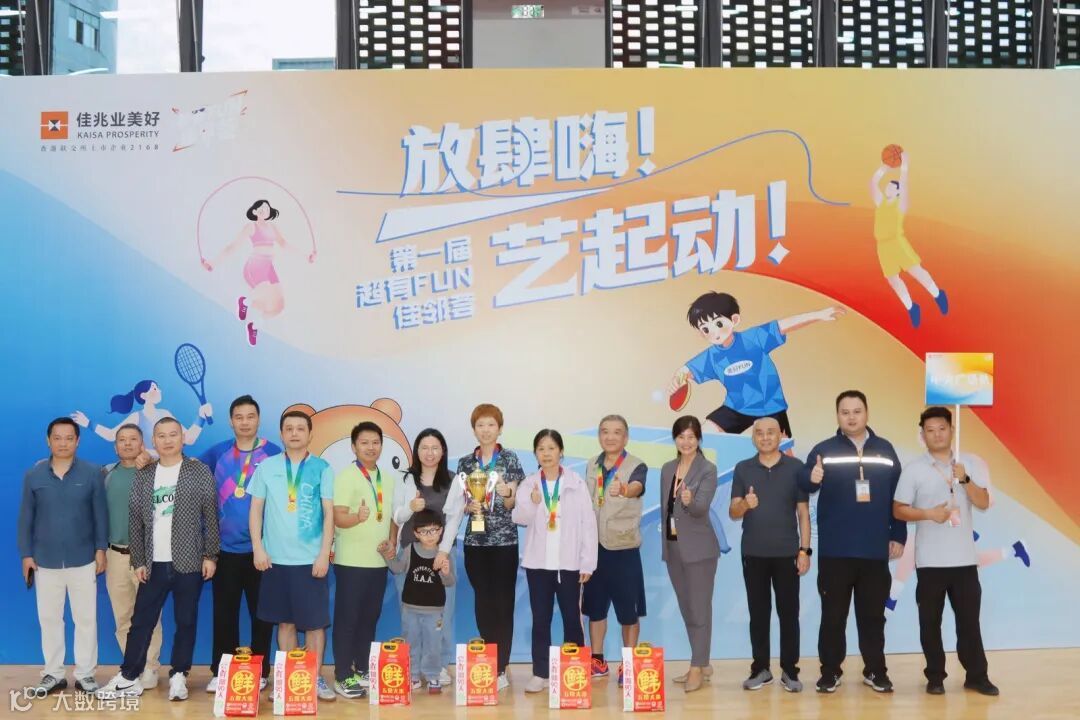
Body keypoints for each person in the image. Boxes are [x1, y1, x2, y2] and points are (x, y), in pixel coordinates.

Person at [97, 417, 219, 701]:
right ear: (154, 441)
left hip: (189, 560)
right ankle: (129, 676)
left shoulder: (198, 471)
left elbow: (211, 516)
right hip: (153, 563)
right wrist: (139, 560)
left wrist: (210, 555)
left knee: (186, 621)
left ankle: (179, 675)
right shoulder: (146, 473)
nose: (167, 440)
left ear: (183, 438)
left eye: (173, 434)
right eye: (161, 436)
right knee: (141, 621)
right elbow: (135, 520)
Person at [798, 390, 906, 694]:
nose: (851, 417)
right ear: (837, 416)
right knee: (833, 616)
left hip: (874, 549)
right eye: (845, 412)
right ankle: (830, 671)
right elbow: (803, 483)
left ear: (866, 413)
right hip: (836, 551)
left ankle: (875, 671)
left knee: (873, 617)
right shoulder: (824, 450)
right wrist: (812, 477)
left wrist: (898, 534)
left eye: (857, 411)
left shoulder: (885, 450)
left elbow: (899, 497)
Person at [893, 406, 999, 696]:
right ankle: (935, 676)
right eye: (930, 430)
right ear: (922, 435)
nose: (937, 434)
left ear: (952, 430)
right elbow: (898, 509)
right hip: (930, 562)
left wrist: (965, 479)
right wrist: (928, 514)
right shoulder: (914, 469)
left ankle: (977, 676)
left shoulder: (968, 465)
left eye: (942, 428)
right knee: (930, 623)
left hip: (964, 560)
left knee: (969, 623)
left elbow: (983, 502)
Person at [249, 409, 336, 701]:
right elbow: (256, 510)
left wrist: (324, 554)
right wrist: (258, 547)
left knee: (314, 624)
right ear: (281, 434)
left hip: (310, 561)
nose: (295, 433)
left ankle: (314, 677)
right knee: (285, 622)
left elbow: (328, 514)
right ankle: (287, 678)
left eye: (300, 428)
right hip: (275, 560)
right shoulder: (266, 467)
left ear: (310, 434)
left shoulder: (322, 468)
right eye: (289, 428)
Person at [667, 291, 844, 436]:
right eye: (705, 329)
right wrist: (677, 380)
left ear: (734, 320)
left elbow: (784, 325)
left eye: (718, 323)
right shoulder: (711, 357)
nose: (713, 332)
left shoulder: (753, 338)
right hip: (736, 408)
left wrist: (818, 315)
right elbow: (685, 371)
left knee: (784, 454)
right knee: (707, 433)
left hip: (771, 405)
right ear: (701, 333)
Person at [18, 417, 107, 694]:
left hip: (84, 559)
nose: (63, 443)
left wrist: (101, 549)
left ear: (78, 441)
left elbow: (100, 516)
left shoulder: (92, 473)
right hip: (45, 561)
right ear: (48, 441)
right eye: (57, 438)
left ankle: (86, 674)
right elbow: (26, 518)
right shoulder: (34, 475)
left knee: (86, 619)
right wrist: (26, 554)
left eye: (69, 438)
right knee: (50, 619)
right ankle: (53, 673)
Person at [200, 395, 281, 692]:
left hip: (263, 550)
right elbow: (183, 469)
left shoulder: (274, 453)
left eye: (250, 416)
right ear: (231, 421)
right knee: (224, 613)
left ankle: (260, 670)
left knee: (262, 615)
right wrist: (147, 458)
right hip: (224, 550)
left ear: (258, 419)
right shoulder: (216, 453)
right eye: (239, 417)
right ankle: (222, 669)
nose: (245, 422)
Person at [512, 429, 598, 695]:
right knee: (541, 619)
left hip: (569, 565)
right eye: (541, 448)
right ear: (535, 453)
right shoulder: (529, 484)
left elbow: (588, 524)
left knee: (573, 618)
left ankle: (574, 669)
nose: (546, 453)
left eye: (551, 448)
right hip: (538, 566)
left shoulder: (575, 483)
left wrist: (587, 562)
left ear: (561, 451)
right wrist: (532, 504)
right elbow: (520, 518)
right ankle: (541, 673)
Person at [729, 417, 811, 693]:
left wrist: (805, 550)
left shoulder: (796, 467)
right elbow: (733, 512)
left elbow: (803, 513)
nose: (765, 437)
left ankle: (790, 670)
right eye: (760, 433)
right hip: (753, 553)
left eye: (771, 432)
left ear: (781, 436)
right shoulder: (743, 468)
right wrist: (745, 504)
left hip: (787, 553)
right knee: (758, 613)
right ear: (753, 438)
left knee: (789, 614)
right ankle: (761, 669)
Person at [453, 404, 525, 691]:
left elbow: (512, 503)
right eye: (480, 425)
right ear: (474, 429)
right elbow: (460, 503)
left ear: (500, 428)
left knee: (503, 603)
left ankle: (501, 667)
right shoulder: (465, 464)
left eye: (491, 425)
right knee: (483, 601)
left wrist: (508, 493)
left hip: (505, 542)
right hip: (475, 542)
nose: (486, 430)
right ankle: (489, 658)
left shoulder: (509, 458)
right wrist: (468, 506)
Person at [391, 428, 463, 686]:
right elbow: (396, 516)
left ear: (443, 451)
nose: (429, 453)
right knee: (409, 615)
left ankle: (439, 666)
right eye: (424, 447)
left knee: (443, 613)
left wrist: (443, 552)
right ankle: (412, 669)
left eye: (435, 447)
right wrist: (409, 508)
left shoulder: (453, 480)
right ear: (416, 451)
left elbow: (455, 519)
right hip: (410, 554)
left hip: (441, 556)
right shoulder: (405, 478)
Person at [332, 421, 398, 699]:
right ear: (354, 447)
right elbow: (337, 516)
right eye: (364, 443)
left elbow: (393, 516)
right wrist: (355, 518)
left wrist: (393, 541)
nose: (371, 447)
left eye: (375, 442)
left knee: (370, 618)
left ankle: (361, 668)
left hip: (378, 562)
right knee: (347, 619)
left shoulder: (388, 478)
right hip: (351, 561)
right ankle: (342, 675)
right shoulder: (346, 476)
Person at [582, 415, 647, 685]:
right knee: (595, 609)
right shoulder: (591, 465)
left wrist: (625, 489)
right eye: (605, 432)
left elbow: (637, 488)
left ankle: (628, 663)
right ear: (599, 436)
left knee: (628, 612)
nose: (610, 437)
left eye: (617, 432)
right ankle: (597, 660)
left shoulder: (636, 465)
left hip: (623, 549)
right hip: (595, 549)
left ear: (626, 437)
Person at [201, 199, 316, 346]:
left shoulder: (273, 227)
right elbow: (232, 247)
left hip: (269, 268)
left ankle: (254, 326)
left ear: (269, 211)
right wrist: (212, 263)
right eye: (260, 208)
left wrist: (306, 256)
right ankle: (245, 302)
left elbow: (284, 244)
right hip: (255, 266)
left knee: (279, 306)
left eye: (266, 208)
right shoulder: (251, 227)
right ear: (254, 211)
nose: (263, 210)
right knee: (265, 294)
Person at [660, 416, 719, 693]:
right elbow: (666, 510)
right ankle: (701, 662)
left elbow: (700, 509)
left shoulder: (707, 469)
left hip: (699, 549)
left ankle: (697, 666)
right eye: (681, 436)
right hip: (673, 547)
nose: (686, 442)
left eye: (691, 437)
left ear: (699, 439)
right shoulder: (667, 468)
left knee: (699, 608)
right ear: (675, 439)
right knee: (687, 608)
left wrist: (690, 501)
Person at [103, 424, 163, 691]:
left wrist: (152, 457)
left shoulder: (155, 471)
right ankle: (131, 668)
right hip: (115, 554)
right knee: (123, 615)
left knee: (149, 615)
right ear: (115, 446)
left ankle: (150, 666)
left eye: (133, 439)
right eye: (122, 440)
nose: (127, 444)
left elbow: (181, 461)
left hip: (147, 556)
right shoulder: (106, 474)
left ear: (142, 444)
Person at [382, 508, 456, 694]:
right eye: (424, 531)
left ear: (441, 531)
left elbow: (450, 582)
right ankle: (413, 675)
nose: (429, 536)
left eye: (434, 530)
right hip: (410, 609)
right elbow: (398, 568)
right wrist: (386, 555)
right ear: (416, 533)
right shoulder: (410, 550)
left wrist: (446, 573)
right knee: (411, 642)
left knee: (433, 645)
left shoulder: (443, 554)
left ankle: (432, 676)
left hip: (435, 612)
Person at [870, 151, 948, 328]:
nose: (888, 187)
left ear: (898, 192)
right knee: (893, 279)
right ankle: (912, 308)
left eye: (892, 186)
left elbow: (904, 185)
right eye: (887, 186)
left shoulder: (901, 204)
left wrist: (904, 166)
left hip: (897, 242)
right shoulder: (881, 202)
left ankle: (938, 294)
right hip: (882, 246)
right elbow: (873, 183)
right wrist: (884, 167)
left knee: (915, 271)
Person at [72, 379, 212, 448]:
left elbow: (189, 439)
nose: (159, 391)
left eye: (158, 388)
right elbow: (111, 435)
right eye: (155, 388)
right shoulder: (137, 417)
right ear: (143, 395)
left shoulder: (165, 414)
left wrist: (201, 418)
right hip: (145, 472)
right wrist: (88, 423)